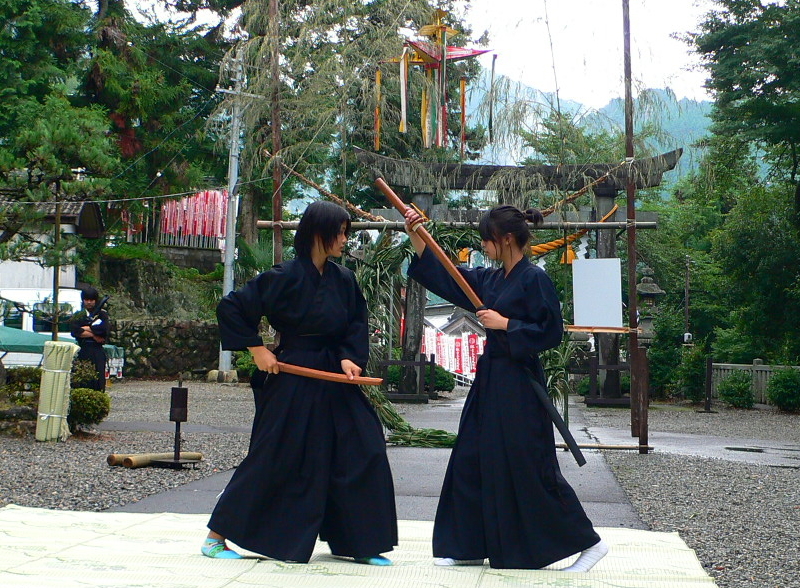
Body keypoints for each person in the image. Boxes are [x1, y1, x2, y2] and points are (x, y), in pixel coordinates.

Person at [403, 204, 608, 572]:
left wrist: (506, 324)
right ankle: (469, 545)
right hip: (490, 379)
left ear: (507, 239)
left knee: (526, 464)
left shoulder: (534, 279)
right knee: (471, 457)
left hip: (519, 382)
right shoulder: (491, 279)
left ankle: (589, 543)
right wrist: (416, 233)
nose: (484, 246)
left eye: (488, 239)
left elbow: (551, 332)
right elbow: (449, 276)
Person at [203, 200, 397, 565]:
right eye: (340, 233)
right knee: (277, 453)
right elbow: (232, 307)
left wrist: (349, 357)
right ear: (319, 233)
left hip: (334, 375)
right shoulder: (284, 276)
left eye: (346, 233)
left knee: (363, 446)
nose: (345, 240)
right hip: (292, 372)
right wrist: (257, 349)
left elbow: (355, 323)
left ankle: (360, 542)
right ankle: (216, 537)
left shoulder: (344, 279)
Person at [69, 287, 109, 392]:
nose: (89, 302)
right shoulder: (79, 315)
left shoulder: (102, 314)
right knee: (82, 378)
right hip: (83, 349)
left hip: (97, 350)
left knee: (98, 378)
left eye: (92, 300)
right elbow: (75, 331)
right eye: (87, 300)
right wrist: (94, 335)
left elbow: (103, 330)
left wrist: (87, 328)